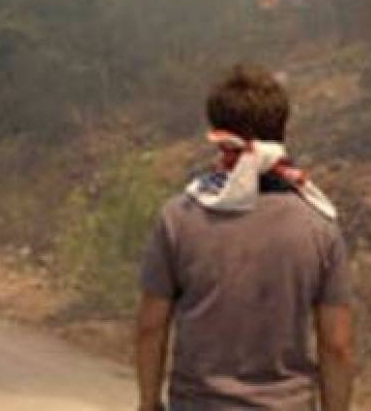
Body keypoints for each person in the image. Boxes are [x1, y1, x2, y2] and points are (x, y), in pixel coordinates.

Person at [136, 65, 355, 411]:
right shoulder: (319, 226)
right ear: (282, 131)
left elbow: (151, 326)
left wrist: (148, 403)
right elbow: (337, 345)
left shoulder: (179, 219)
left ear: (219, 136)